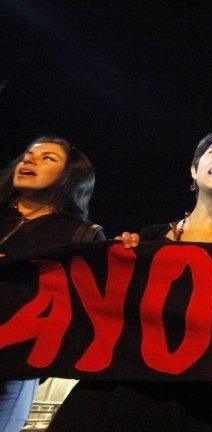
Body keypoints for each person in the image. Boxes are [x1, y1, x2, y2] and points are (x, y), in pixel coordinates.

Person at [48, 132, 212, 432]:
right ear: (194, 170)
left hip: (206, 402)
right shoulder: (148, 240)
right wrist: (117, 262)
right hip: (132, 391)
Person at [0, 135, 104, 431]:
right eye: (29, 154)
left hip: (13, 368)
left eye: (48, 158)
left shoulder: (79, 236)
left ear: (70, 177)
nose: (29, 160)